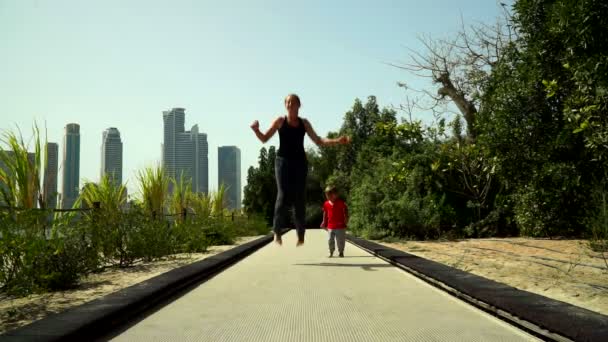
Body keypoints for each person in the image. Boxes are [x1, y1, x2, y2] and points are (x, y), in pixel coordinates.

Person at [251, 94, 350, 246]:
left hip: (299, 163)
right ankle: (277, 232)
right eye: (288, 102)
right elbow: (264, 138)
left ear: (298, 105)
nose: (290, 104)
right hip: (282, 162)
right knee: (283, 195)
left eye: (293, 102)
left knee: (299, 198)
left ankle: (301, 234)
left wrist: (336, 140)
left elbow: (318, 140)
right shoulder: (280, 121)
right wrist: (256, 130)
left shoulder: (304, 123)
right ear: (286, 105)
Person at [320, 185, 348, 257]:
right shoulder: (326, 204)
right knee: (330, 240)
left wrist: (346, 218)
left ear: (336, 195)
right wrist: (323, 221)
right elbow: (325, 212)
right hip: (330, 226)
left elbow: (345, 210)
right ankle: (331, 252)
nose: (328, 197)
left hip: (340, 226)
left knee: (340, 241)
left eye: (330, 195)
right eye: (327, 195)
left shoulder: (341, 203)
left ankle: (341, 251)